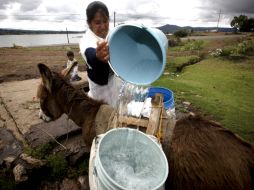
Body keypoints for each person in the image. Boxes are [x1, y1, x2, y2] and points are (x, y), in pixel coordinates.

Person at [79, 1, 120, 107]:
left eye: (105, 21)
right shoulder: (86, 40)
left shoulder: (111, 35)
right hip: (99, 93)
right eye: (97, 22)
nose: (103, 26)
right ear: (89, 23)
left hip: (113, 86)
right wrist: (97, 56)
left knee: (115, 111)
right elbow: (90, 54)